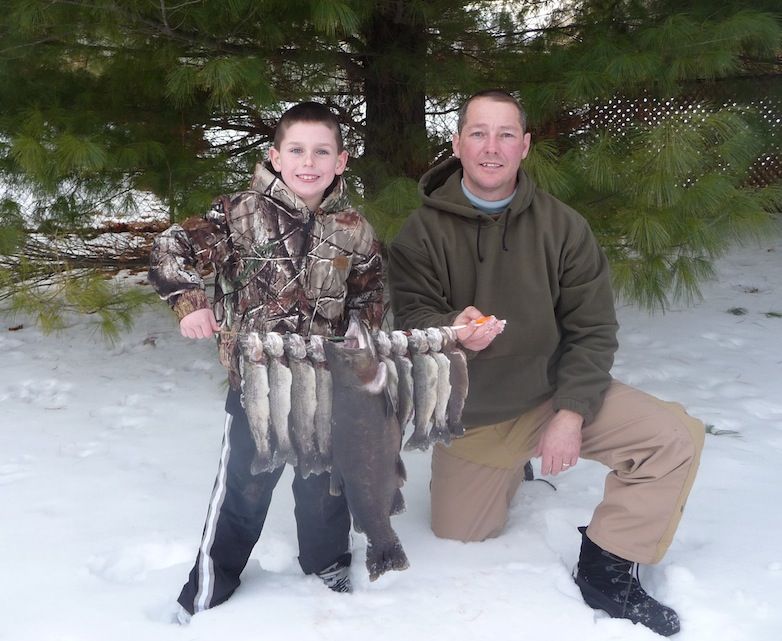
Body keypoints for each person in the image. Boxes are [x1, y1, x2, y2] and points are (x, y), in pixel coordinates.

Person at [387, 89, 704, 637]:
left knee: (673, 437)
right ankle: (510, 466)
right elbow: (409, 320)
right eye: (479, 133)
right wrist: (453, 331)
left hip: (552, 394)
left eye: (506, 134)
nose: (493, 147)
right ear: (459, 143)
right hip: (475, 415)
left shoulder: (564, 227)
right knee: (460, 536)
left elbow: (593, 330)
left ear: (525, 145)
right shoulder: (421, 233)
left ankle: (606, 569)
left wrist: (571, 412)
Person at [148, 102, 384, 622]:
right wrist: (190, 302)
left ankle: (327, 564)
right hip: (258, 386)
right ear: (275, 156)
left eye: (322, 151)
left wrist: (361, 346)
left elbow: (370, 295)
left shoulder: (353, 229)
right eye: (296, 150)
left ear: (341, 161)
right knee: (244, 488)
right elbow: (170, 247)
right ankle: (212, 582)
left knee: (325, 486)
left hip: (326, 386)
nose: (308, 161)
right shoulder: (238, 215)